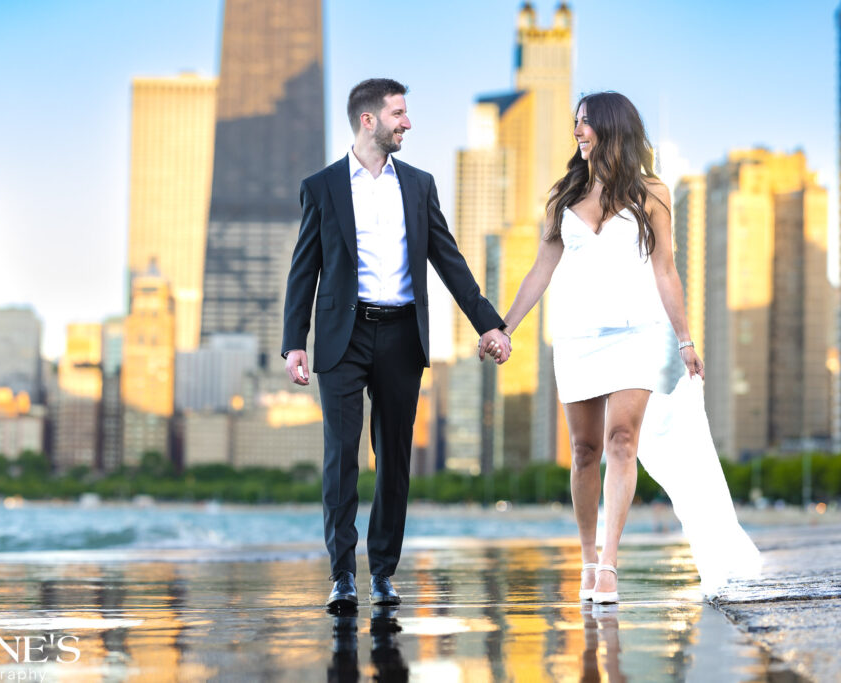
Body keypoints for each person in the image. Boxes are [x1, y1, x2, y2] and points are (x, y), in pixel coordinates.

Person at [281, 78, 511, 610]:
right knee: (341, 459)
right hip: (344, 335)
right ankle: (343, 575)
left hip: (403, 334)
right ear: (369, 120)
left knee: (395, 459)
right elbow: (304, 268)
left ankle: (382, 571)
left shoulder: (420, 185)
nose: (407, 123)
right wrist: (296, 341)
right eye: (399, 113)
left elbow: (449, 261)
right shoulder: (322, 187)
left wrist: (489, 323)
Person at [495, 91, 703, 604]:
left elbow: (666, 269)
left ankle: (609, 564)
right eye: (575, 123)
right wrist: (505, 327)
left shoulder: (652, 192)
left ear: (610, 128)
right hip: (577, 336)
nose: (577, 131)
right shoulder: (565, 197)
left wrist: (685, 338)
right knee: (585, 452)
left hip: (638, 332)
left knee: (621, 441)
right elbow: (540, 271)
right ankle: (588, 557)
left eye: (585, 122)